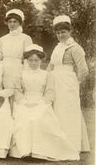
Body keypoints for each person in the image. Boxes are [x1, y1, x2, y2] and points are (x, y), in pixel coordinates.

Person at [10, 44, 79, 161]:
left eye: (36, 60)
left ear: (41, 60)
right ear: (26, 61)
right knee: (25, 119)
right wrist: (23, 101)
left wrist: (42, 102)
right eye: (30, 60)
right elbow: (17, 91)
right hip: (24, 102)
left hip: (41, 102)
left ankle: (39, 152)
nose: (33, 63)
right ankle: (26, 151)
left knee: (38, 119)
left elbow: (50, 92)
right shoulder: (20, 74)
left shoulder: (47, 74)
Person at [47, 15, 90, 153]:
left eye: (63, 32)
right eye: (58, 33)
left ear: (69, 31)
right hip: (55, 80)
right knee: (56, 109)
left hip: (68, 82)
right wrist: (45, 77)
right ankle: (57, 142)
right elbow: (51, 64)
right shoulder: (57, 47)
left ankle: (71, 143)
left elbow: (83, 69)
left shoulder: (75, 48)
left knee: (68, 111)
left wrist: (75, 83)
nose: (61, 35)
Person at [0, 9, 33, 109]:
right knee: (6, 94)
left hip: (18, 68)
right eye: (10, 21)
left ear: (20, 23)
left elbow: (28, 58)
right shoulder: (3, 39)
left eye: (15, 21)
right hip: (4, 68)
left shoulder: (25, 38)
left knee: (18, 94)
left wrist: (27, 73)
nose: (12, 24)